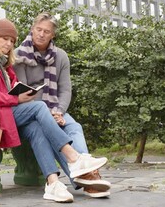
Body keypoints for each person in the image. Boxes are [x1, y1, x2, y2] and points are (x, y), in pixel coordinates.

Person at [0, 18, 108, 203]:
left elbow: (14, 87)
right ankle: (74, 158)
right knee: (39, 106)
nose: (8, 44)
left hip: (6, 113)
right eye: (4, 38)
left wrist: (20, 94)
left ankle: (52, 183)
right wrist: (16, 98)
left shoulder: (4, 63)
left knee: (38, 127)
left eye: (12, 41)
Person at [13, 12, 111, 199]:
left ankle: (84, 171)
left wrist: (58, 111)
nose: (41, 34)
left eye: (46, 31)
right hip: (32, 111)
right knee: (46, 130)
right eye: (38, 29)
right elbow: (24, 93)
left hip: (55, 108)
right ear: (32, 29)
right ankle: (87, 178)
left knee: (74, 126)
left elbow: (65, 90)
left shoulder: (61, 57)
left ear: (53, 35)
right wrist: (47, 114)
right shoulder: (19, 55)